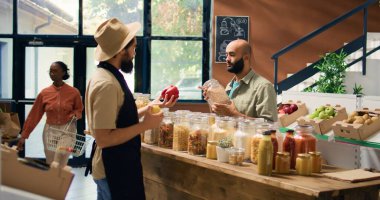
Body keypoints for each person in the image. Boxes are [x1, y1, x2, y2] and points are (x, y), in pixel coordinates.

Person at [85, 18, 177, 200]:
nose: (135, 53)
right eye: (133, 48)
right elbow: (104, 138)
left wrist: (151, 107)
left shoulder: (106, 75)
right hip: (113, 171)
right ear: (121, 50)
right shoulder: (107, 84)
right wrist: (145, 125)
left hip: (116, 167)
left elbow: (117, 116)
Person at [17, 61, 83, 167]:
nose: (52, 73)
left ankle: (59, 180)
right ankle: (54, 182)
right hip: (50, 131)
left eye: (55, 71)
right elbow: (34, 115)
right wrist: (24, 135)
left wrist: (75, 114)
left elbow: (79, 109)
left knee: (61, 155)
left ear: (63, 73)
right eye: (50, 71)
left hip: (68, 130)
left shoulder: (74, 92)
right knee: (51, 162)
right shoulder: (44, 93)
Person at [203, 39, 278, 122]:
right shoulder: (229, 86)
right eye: (226, 55)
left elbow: (270, 125)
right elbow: (222, 118)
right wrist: (212, 101)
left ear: (246, 58)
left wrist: (234, 114)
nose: (227, 59)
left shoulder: (264, 87)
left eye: (232, 55)